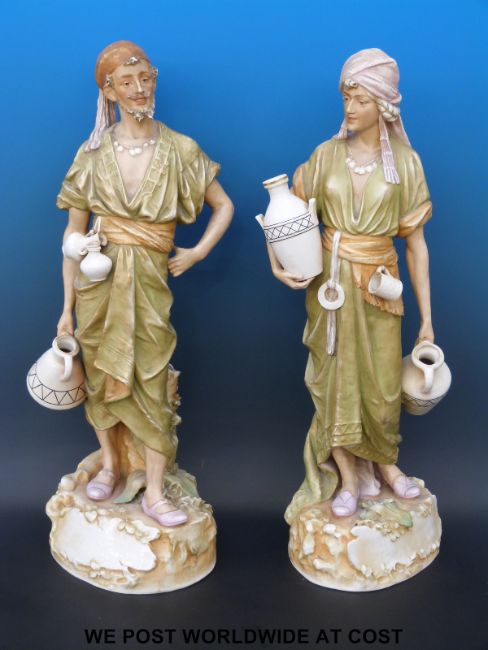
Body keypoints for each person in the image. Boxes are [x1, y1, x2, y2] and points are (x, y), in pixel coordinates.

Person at [56, 41, 233, 526]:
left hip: (151, 286)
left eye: (145, 79)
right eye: (126, 82)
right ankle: (111, 467)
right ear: (109, 91)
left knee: (152, 381)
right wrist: (66, 309)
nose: (139, 89)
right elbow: (71, 237)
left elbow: (224, 205)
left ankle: (155, 491)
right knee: (101, 377)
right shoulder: (92, 153)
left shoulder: (180, 149)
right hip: (99, 284)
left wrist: (197, 251)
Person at [265, 49, 433, 521]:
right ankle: (347, 476)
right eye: (346, 98)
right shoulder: (325, 156)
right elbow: (287, 216)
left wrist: (428, 321)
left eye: (361, 100)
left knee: (382, 384)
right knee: (334, 380)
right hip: (331, 286)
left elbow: (416, 246)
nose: (350, 108)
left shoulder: (406, 163)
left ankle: (385, 463)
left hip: (379, 284)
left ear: (384, 105)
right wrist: (276, 264)